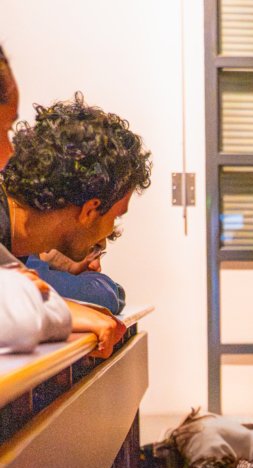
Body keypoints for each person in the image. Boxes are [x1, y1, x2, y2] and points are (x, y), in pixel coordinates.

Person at [0, 87, 151, 356]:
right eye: (115, 216)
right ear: (90, 210)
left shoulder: (12, 243)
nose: (109, 232)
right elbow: (17, 318)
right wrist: (66, 312)